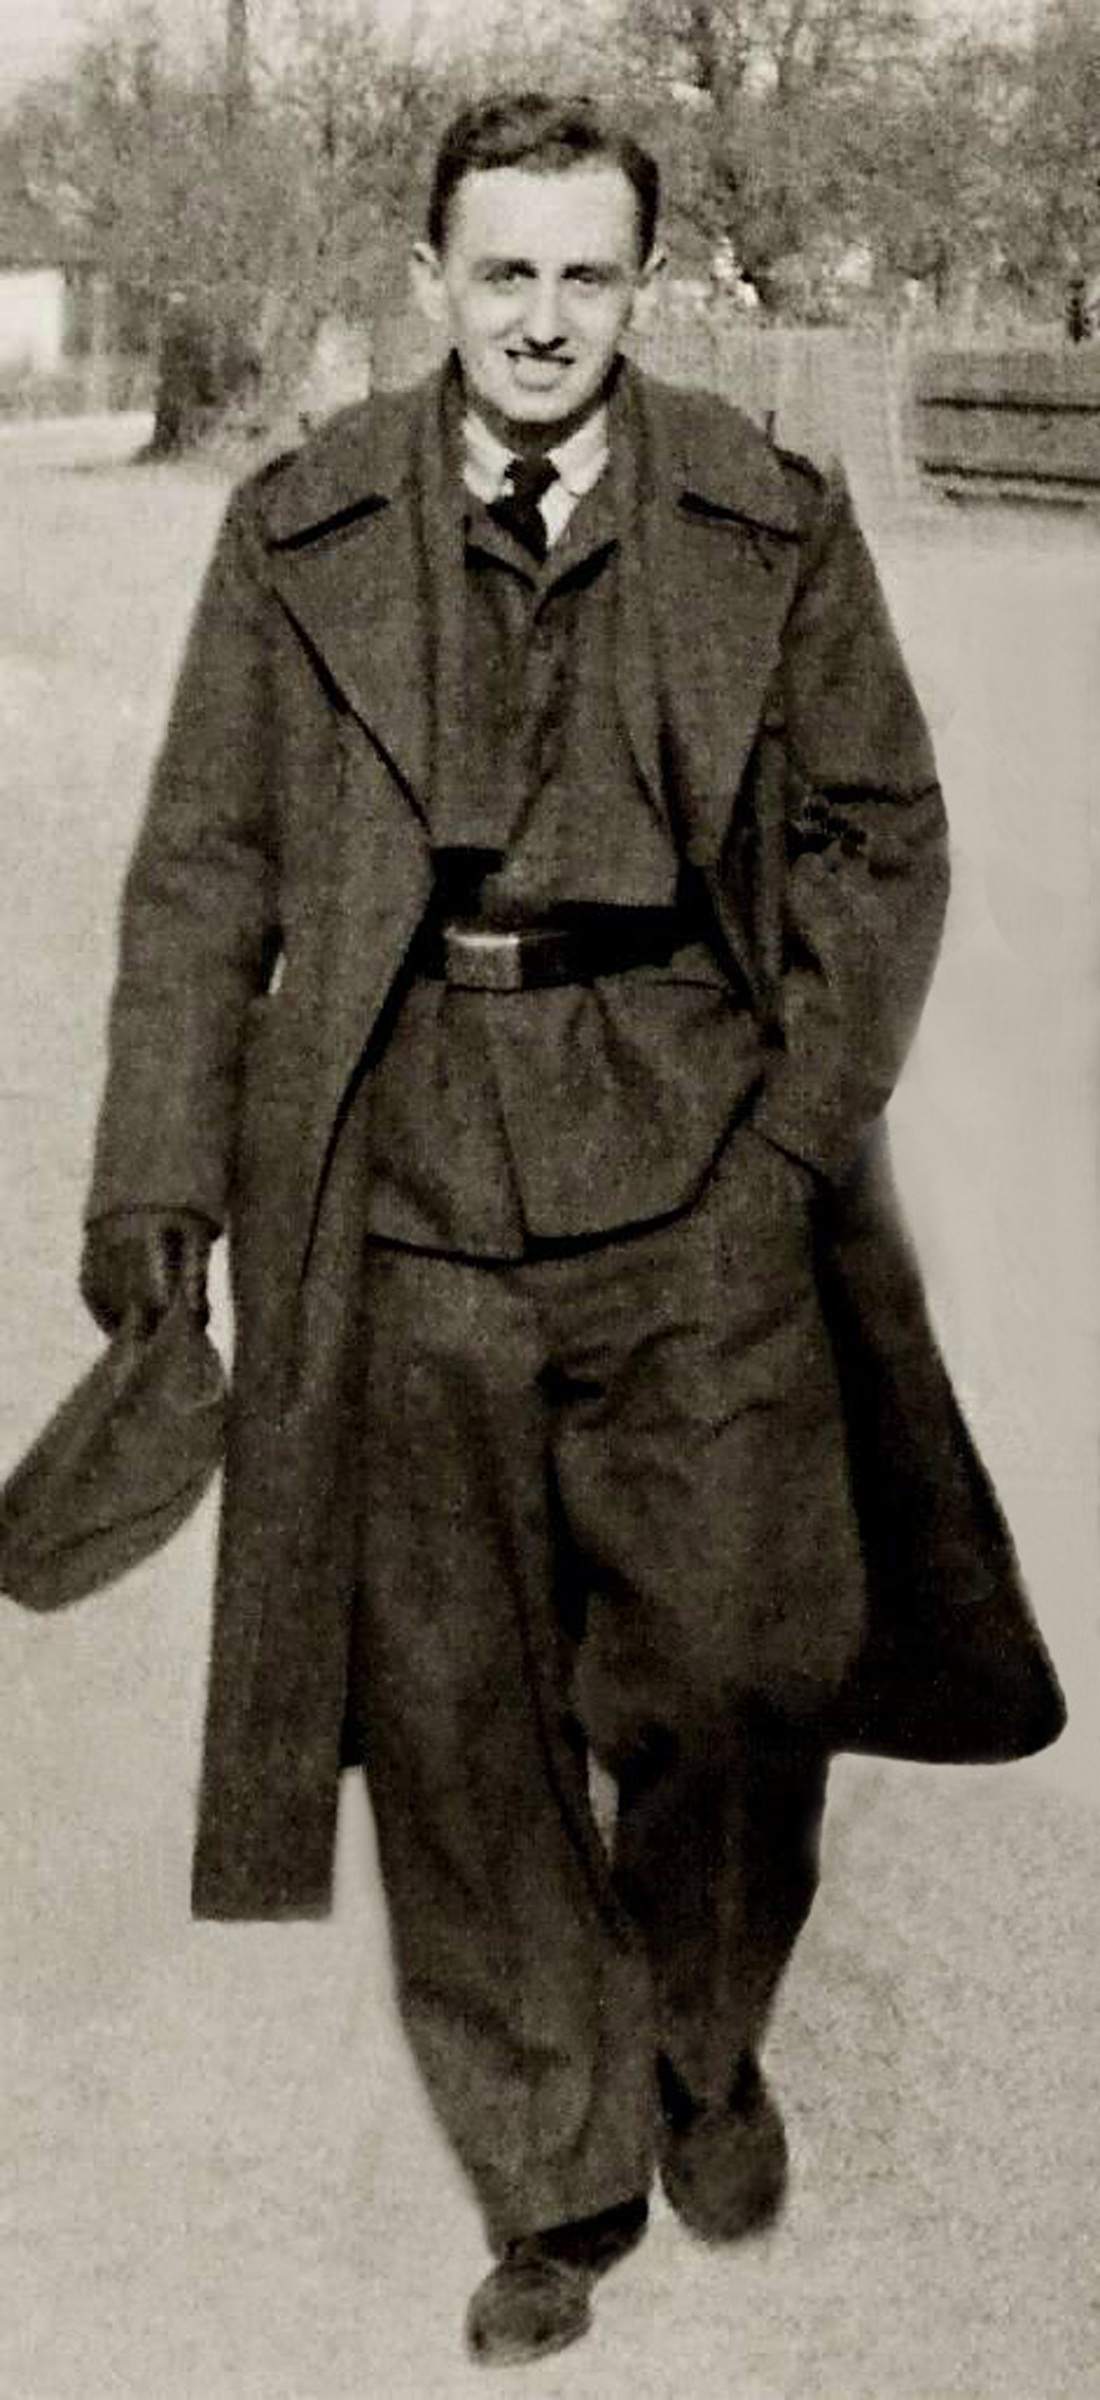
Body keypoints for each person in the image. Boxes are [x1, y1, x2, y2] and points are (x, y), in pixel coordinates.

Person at [79, 92, 1064, 2369]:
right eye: (502, 272)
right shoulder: (299, 528)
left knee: (737, 1665)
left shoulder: (766, 516)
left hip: (698, 1165)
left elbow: (882, 838)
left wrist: (791, 1141)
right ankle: (558, 2161)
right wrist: (156, 1173)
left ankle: (704, 2037)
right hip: (399, 1173)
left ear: (644, 284)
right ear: (431, 277)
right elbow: (205, 870)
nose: (540, 319)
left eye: (584, 275)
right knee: (454, 1712)